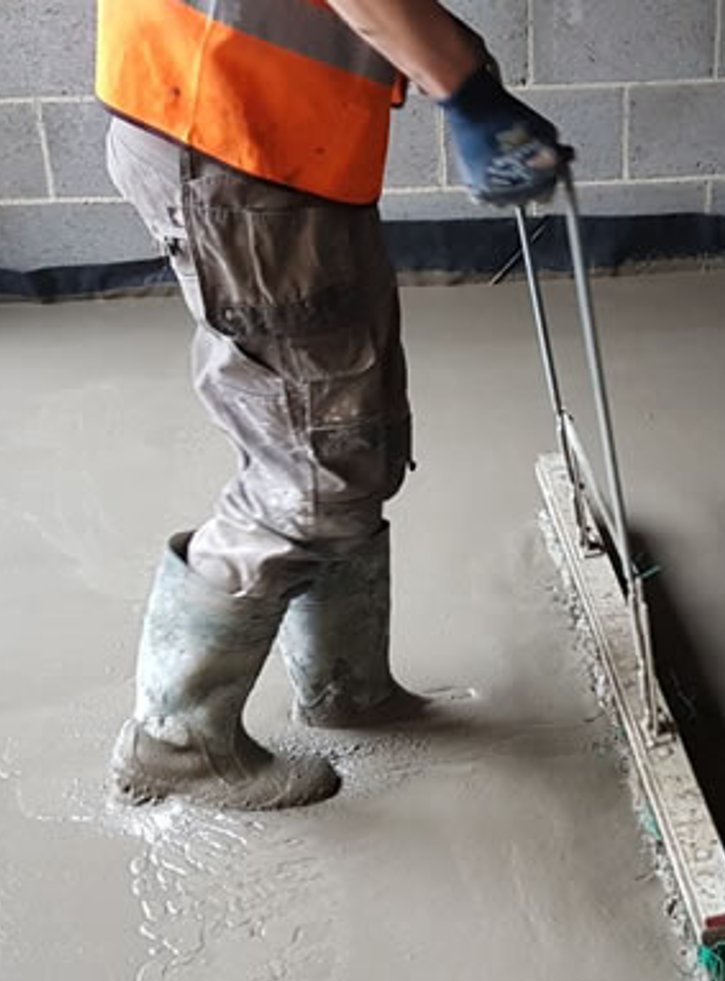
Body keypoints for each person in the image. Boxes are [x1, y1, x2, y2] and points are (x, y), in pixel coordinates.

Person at [96, 0, 567, 811]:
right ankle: (175, 741)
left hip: (272, 143)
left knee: (357, 429)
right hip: (229, 141)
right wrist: (461, 86)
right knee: (315, 464)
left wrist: (450, 60)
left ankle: (346, 688)